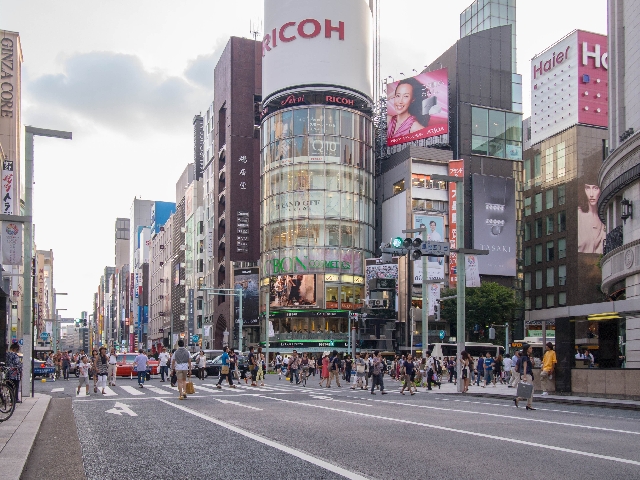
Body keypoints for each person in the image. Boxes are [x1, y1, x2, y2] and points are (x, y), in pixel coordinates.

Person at [387, 77, 426, 142]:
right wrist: (391, 95)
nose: (400, 101)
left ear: (413, 99)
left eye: (406, 96)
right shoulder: (389, 120)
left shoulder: (415, 127)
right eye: (398, 96)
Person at [578, 182, 606, 253]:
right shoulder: (579, 215)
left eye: (595, 188)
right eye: (587, 188)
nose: (591, 194)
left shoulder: (606, 216)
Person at [514, 344, 536, 410]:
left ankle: (524, 402)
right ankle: (528, 404)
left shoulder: (523, 357)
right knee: (530, 390)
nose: (531, 349)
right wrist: (525, 376)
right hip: (527, 375)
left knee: (528, 389)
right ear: (527, 349)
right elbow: (525, 367)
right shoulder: (525, 357)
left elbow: (518, 367)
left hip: (524, 374)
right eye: (530, 348)